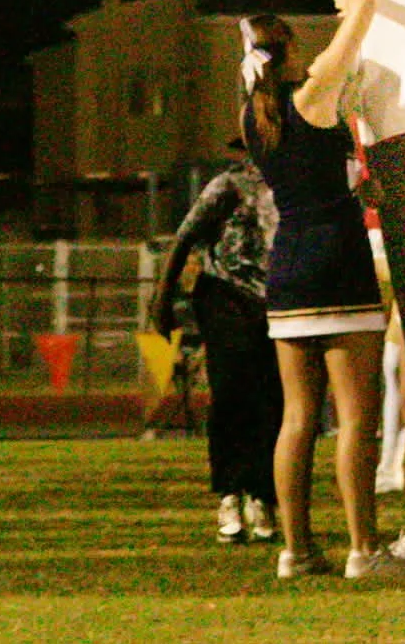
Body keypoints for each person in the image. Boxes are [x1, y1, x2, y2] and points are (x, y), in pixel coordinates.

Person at [241, 0, 405, 580]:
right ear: (284, 51)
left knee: (298, 417)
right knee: (358, 416)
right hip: (336, 262)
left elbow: (311, 178)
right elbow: (359, 17)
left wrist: (352, 187)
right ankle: (364, 550)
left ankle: (297, 551)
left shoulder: (253, 115)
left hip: (287, 267)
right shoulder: (310, 96)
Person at [152, 146, 282, 546]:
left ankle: (262, 494)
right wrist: (162, 298)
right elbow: (184, 238)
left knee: (273, 401)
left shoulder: (293, 183)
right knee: (230, 395)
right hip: (225, 296)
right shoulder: (226, 185)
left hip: (277, 301)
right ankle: (229, 492)